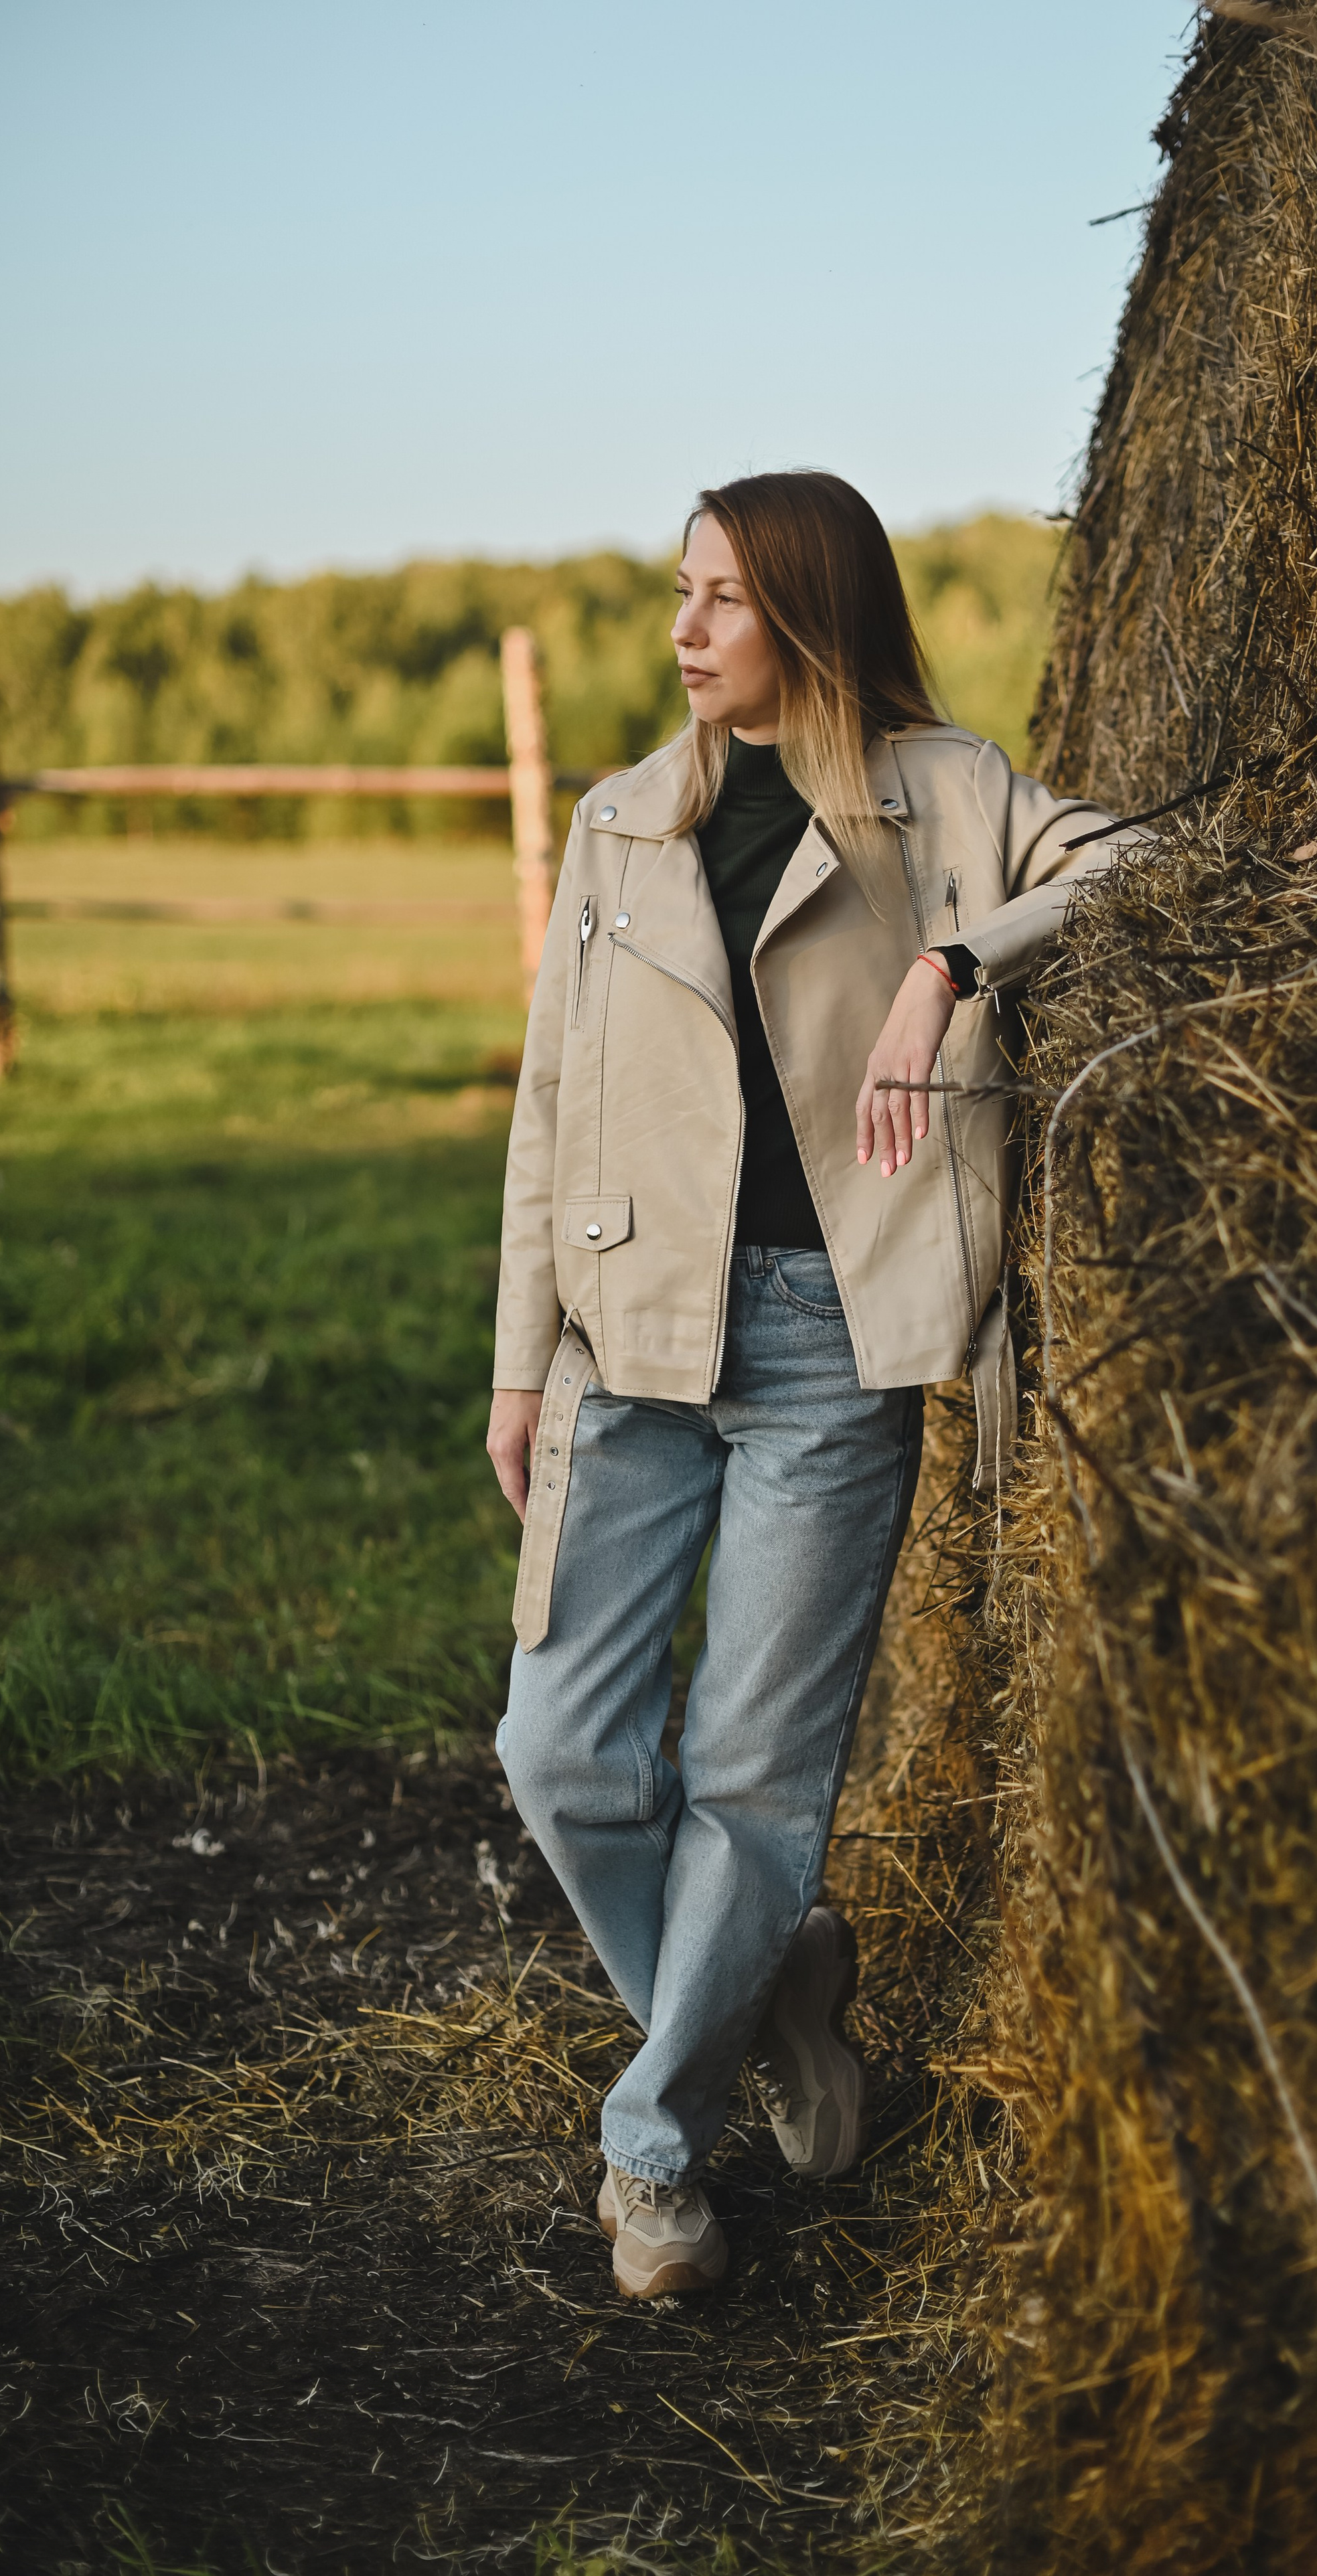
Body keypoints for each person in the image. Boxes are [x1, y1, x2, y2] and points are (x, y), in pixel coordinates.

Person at [487, 470, 1139, 2298]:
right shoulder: (619, 825)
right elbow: (553, 1108)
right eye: (677, 595)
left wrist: (952, 965)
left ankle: (653, 2157)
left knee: (757, 1789)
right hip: (636, 1339)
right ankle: (776, 2003)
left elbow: (1151, 860)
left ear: (809, 613)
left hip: (834, 1354)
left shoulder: (949, 794)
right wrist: (517, 1364)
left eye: (719, 600)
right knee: (562, 1754)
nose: (680, 632)